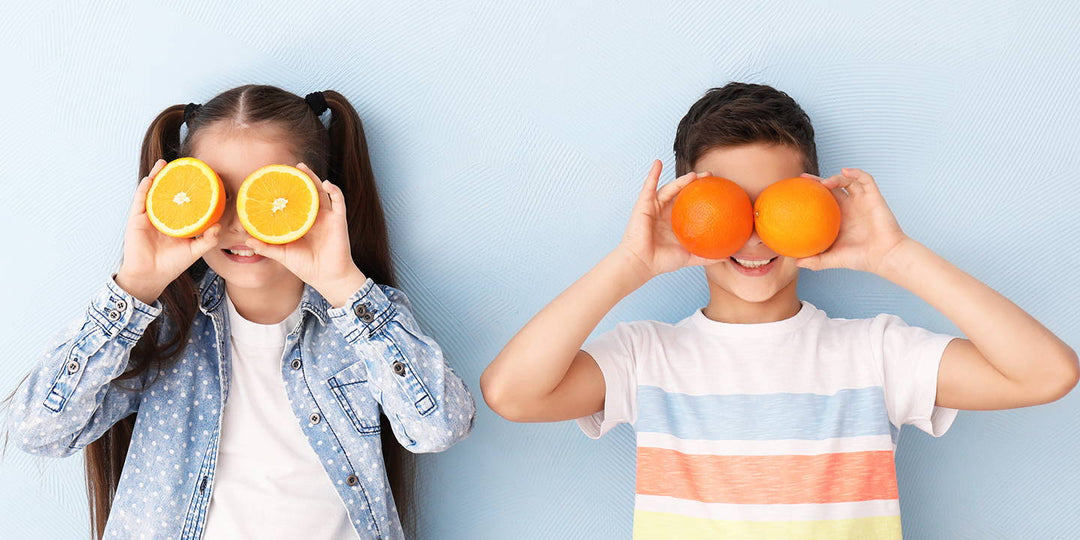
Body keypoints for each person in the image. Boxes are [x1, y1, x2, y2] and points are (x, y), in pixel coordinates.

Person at [481, 82, 1078, 538]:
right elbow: (513, 393)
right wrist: (630, 264)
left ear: (818, 204)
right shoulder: (647, 357)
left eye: (777, 207)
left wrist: (895, 256)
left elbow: (1047, 373)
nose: (755, 237)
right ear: (688, 213)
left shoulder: (874, 352)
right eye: (728, 209)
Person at [6, 84, 476, 539]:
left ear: (318, 196)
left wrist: (342, 284)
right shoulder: (163, 328)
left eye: (268, 195)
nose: (239, 222)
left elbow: (438, 428)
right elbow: (38, 431)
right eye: (217, 194)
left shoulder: (363, 322)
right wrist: (134, 287)